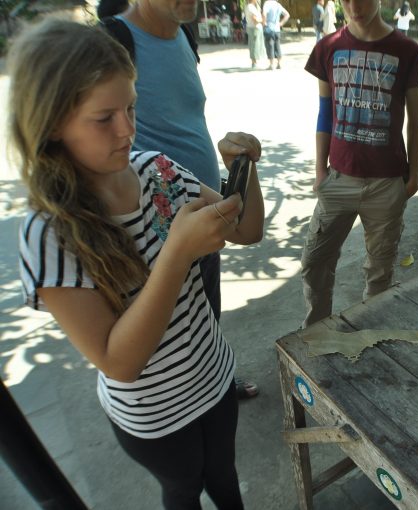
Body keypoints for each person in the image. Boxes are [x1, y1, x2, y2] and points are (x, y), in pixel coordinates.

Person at [12, 19, 265, 507]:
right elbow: (119, 361)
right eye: (103, 118)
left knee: (225, 478)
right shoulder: (51, 234)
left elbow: (247, 230)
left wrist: (243, 168)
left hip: (212, 379)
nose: (127, 129)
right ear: (50, 124)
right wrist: (176, 254)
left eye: (130, 107)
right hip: (154, 417)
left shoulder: (158, 172)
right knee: (183, 490)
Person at [107, 0, 261, 399]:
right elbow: (119, 361)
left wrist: (237, 167)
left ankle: (215, 385)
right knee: (169, 332)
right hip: (156, 231)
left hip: (202, 208)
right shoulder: (115, 40)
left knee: (206, 313)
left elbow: (185, 120)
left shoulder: (184, 35)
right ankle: (186, 406)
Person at [301, 0, 418, 328]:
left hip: (386, 184)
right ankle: (316, 332)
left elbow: (416, 120)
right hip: (338, 179)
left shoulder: (407, 50)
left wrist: (415, 173)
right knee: (315, 263)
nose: (354, 5)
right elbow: (325, 112)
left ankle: (370, 337)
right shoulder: (328, 47)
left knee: (379, 273)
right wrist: (319, 171)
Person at [262, 0, 290, 70]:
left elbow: (264, 14)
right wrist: (281, 23)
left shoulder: (267, 3)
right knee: (277, 46)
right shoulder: (278, 5)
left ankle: (271, 64)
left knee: (270, 45)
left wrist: (264, 23)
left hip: (269, 28)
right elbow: (287, 15)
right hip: (277, 29)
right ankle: (279, 64)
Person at [246, 0, 267, 67]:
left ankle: (255, 61)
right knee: (254, 45)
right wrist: (263, 21)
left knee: (255, 44)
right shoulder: (250, 7)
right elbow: (254, 19)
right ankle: (254, 62)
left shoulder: (252, 6)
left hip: (255, 28)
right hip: (254, 28)